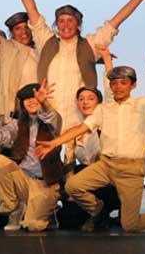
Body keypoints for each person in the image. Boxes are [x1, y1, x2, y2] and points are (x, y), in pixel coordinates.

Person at [35, 53, 145, 234]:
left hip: (131, 170)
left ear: (133, 85)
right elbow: (81, 127)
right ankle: (98, 210)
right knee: (73, 186)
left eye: (123, 83)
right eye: (114, 83)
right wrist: (54, 142)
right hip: (106, 165)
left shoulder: (144, 105)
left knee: (130, 225)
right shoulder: (103, 109)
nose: (118, 87)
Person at [4, 0, 145, 131]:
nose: (65, 25)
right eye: (61, 21)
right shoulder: (46, 41)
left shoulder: (89, 44)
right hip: (48, 113)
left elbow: (115, 22)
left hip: (79, 115)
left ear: (78, 24)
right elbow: (31, 9)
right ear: (56, 25)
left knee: (81, 155)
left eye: (70, 20)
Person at [0, 81, 63, 232]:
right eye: (27, 99)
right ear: (22, 104)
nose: (31, 101)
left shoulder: (53, 122)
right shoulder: (18, 123)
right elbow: (2, 133)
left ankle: (49, 211)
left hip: (45, 184)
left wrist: (44, 102)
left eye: (34, 98)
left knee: (33, 225)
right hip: (24, 180)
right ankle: (14, 209)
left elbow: (50, 116)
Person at [56, 83, 120, 231]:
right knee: (66, 221)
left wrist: (106, 61)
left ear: (99, 102)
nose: (85, 102)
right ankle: (101, 216)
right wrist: (70, 188)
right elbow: (68, 162)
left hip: (106, 182)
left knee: (82, 169)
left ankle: (99, 214)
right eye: (81, 99)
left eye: (90, 98)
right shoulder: (75, 130)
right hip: (83, 185)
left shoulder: (107, 126)